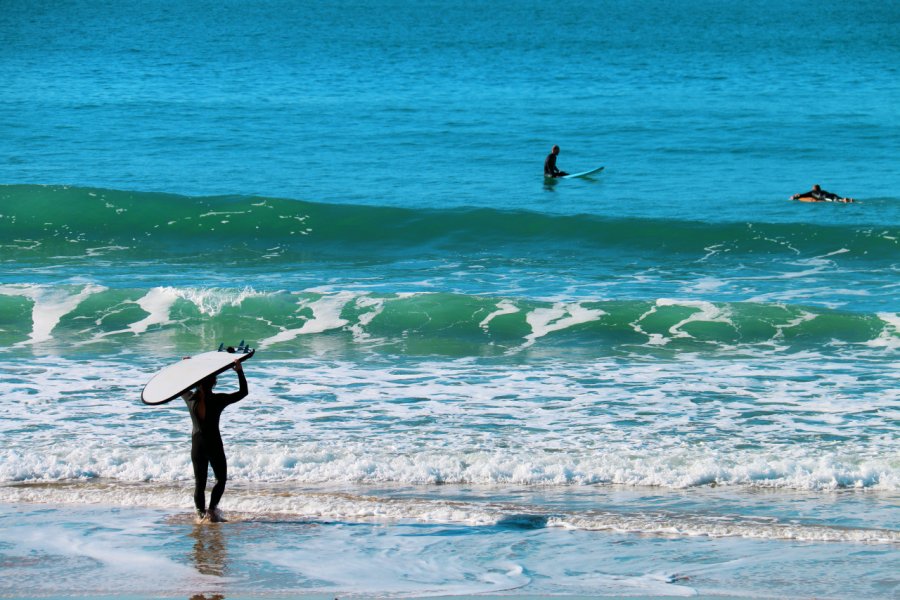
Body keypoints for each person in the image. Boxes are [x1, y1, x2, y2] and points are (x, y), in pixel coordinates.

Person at [181, 360, 248, 523]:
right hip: (213, 444)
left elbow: (181, 386)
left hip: (197, 445)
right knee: (221, 479)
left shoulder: (190, 398)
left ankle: (200, 515)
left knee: (200, 483)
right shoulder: (218, 400)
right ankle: (211, 511)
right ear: (214, 383)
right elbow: (243, 392)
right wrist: (239, 371)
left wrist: (186, 367)